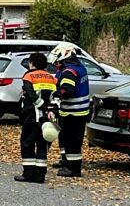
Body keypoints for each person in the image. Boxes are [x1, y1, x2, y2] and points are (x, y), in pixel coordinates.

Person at [50, 44, 91, 177]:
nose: (56, 63)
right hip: (80, 111)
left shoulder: (69, 71)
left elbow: (66, 91)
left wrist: (56, 94)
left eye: (58, 60)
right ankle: (69, 163)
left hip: (72, 111)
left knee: (72, 140)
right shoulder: (80, 67)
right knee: (72, 139)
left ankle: (73, 169)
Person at [15, 52, 56, 183]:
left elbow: (31, 95)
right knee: (42, 145)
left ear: (31, 63)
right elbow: (55, 97)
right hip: (46, 119)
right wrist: (49, 110)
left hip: (31, 116)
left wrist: (41, 105)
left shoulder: (29, 76)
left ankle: (28, 174)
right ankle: (40, 176)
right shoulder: (51, 77)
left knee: (27, 144)